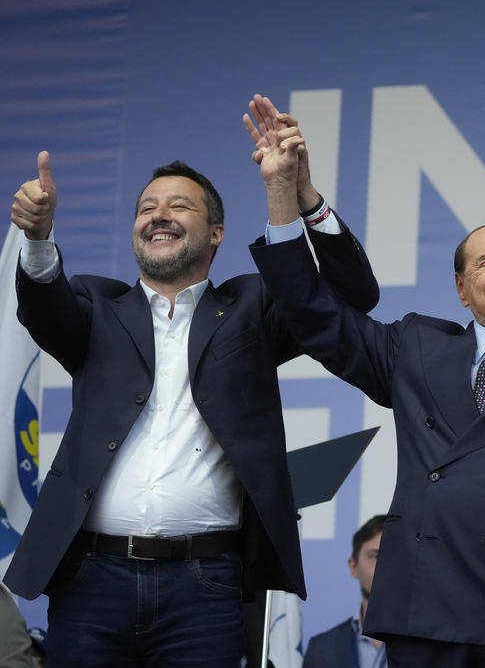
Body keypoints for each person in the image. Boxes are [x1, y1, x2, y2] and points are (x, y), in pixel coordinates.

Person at [3, 97, 380, 666]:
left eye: (180, 206)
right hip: (90, 582)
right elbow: (44, 308)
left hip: (206, 586)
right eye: (147, 207)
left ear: (217, 233)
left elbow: (351, 297)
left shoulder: (252, 305)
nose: (159, 215)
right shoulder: (95, 305)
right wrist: (36, 239)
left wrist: (299, 194)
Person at [249, 136, 485, 667]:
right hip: (425, 611)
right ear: (463, 288)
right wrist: (285, 191)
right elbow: (313, 313)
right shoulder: (416, 348)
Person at [303, 515, 387, 668]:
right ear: (354, 567)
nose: (384, 566)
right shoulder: (321, 649)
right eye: (375, 556)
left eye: (393, 556)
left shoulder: (431, 646)